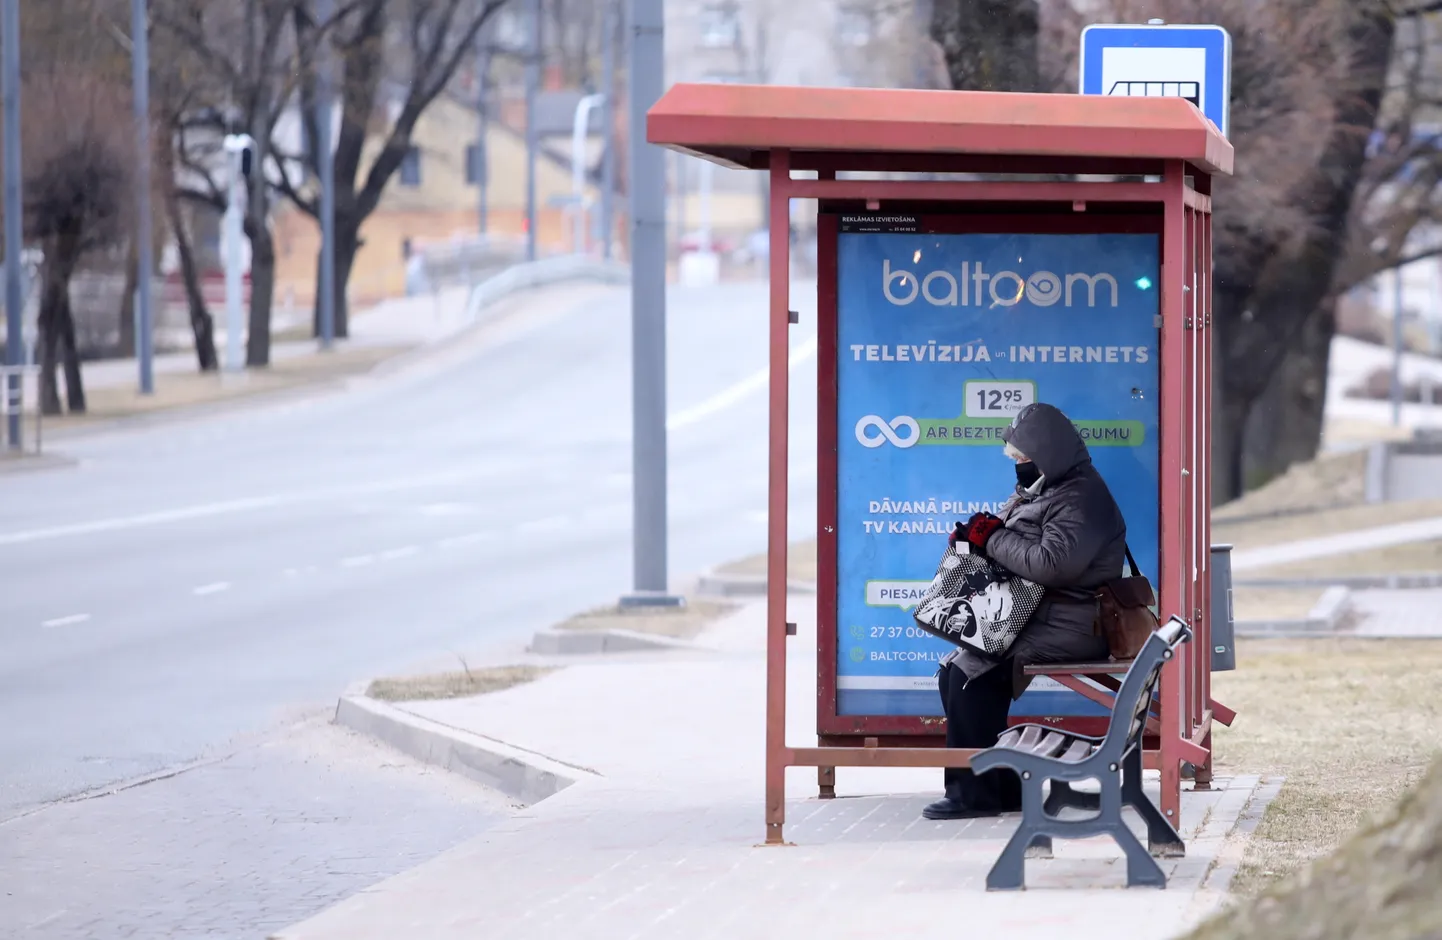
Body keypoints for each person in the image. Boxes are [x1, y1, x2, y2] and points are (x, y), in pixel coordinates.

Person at [923, 402, 1126, 820]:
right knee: (957, 673)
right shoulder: (1049, 489)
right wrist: (974, 537)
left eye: (1024, 459)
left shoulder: (1080, 497)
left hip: (1073, 622)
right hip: (1042, 614)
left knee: (967, 675)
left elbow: (1053, 564)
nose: (1018, 466)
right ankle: (1001, 787)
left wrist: (991, 539)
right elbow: (1008, 539)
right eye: (1014, 459)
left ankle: (972, 795)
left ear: (1048, 455)